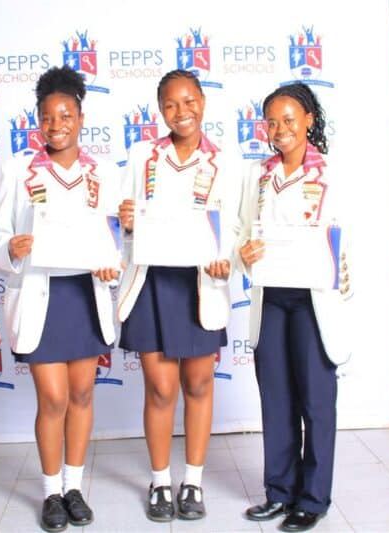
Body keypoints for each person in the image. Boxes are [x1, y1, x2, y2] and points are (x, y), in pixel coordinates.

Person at [0, 66, 121, 532]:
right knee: (52, 398)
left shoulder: (104, 172)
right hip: (40, 296)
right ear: (38, 121)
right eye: (47, 117)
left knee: (82, 394)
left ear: (81, 119)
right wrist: (11, 247)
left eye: (66, 116)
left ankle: (73, 487)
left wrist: (111, 263)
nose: (56, 125)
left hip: (84, 295)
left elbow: (117, 236)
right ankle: (50, 492)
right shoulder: (16, 170)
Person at [117, 69, 241, 522]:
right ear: (160, 110)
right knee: (160, 388)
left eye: (189, 102)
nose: (180, 112)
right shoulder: (142, 156)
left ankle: (192, 481)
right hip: (152, 283)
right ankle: (159, 482)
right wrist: (126, 220)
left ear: (203, 102)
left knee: (199, 384)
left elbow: (234, 225)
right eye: (170, 104)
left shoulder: (226, 162)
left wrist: (225, 258)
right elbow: (122, 219)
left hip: (199, 285)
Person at [236, 83, 353, 532]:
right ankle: (279, 492)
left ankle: (313, 498)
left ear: (308, 120)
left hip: (312, 299)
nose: (279, 129)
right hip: (271, 297)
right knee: (277, 398)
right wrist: (243, 252)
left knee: (316, 401)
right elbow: (242, 230)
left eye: (288, 119)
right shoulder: (257, 175)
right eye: (271, 122)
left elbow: (345, 236)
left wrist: (333, 266)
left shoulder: (331, 173)